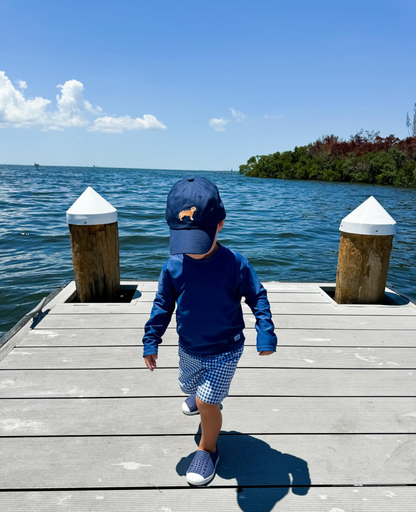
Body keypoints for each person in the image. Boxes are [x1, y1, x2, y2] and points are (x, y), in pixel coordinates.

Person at [142, 176, 277, 486]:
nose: (193, 251)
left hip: (225, 349)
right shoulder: (173, 266)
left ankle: (209, 448)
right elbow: (162, 305)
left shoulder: (235, 264)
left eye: (199, 240)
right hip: (189, 346)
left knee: (205, 403)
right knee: (188, 387)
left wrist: (265, 333)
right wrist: (152, 340)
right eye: (185, 241)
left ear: (220, 224)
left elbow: (258, 296)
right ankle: (202, 396)